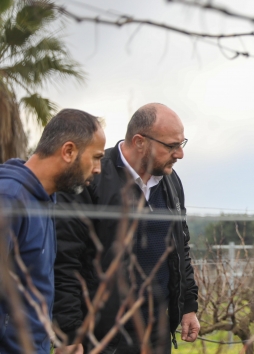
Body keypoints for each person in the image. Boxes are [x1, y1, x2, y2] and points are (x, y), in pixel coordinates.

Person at [53, 103, 200, 354]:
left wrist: (188, 305)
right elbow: (65, 261)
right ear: (139, 141)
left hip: (157, 330)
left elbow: (180, 248)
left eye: (181, 144)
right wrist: (69, 334)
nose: (180, 154)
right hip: (103, 336)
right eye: (171, 146)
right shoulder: (92, 177)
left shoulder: (171, 181)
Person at [0, 109, 106, 354]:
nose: (98, 168)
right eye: (96, 157)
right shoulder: (9, 198)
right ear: (69, 151)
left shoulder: (45, 200)